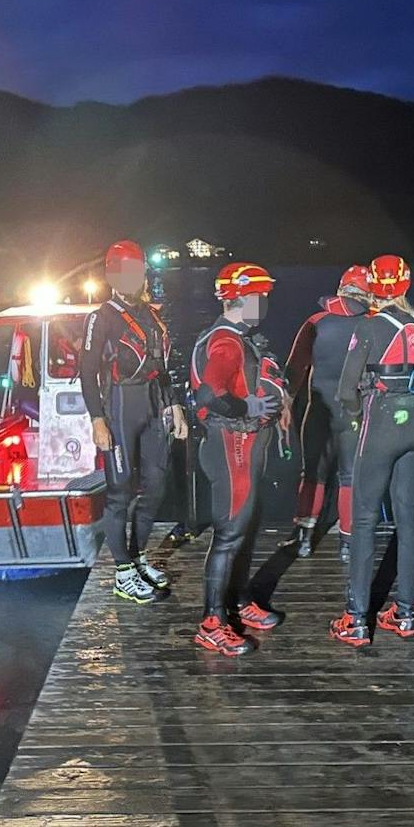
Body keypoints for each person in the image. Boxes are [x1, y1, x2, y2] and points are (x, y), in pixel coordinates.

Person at [330, 254, 414, 646]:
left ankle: (356, 619)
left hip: (384, 420)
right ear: (406, 284)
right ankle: (405, 613)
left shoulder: (370, 326)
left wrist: (357, 416)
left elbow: (345, 389)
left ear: (374, 285)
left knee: (364, 518)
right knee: (408, 516)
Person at [188, 261, 290, 656]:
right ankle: (212, 622)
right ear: (242, 298)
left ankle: (239, 601)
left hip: (243, 448)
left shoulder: (234, 335)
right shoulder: (227, 342)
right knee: (229, 533)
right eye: (260, 298)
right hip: (231, 446)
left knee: (244, 528)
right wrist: (245, 405)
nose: (264, 304)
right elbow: (209, 395)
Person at [79, 239, 186, 604]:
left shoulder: (150, 314)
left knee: (156, 486)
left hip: (154, 406)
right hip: (120, 407)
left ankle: (139, 558)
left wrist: (175, 407)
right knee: (120, 491)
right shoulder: (101, 318)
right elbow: (87, 372)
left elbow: (162, 366)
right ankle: (123, 572)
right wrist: (97, 420)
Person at [283, 265, 372, 561]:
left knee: (313, 475)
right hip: (355, 413)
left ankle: (304, 539)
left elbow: (294, 368)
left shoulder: (317, 321)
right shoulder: (374, 323)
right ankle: (348, 544)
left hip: (318, 411)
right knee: (350, 478)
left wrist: (284, 404)